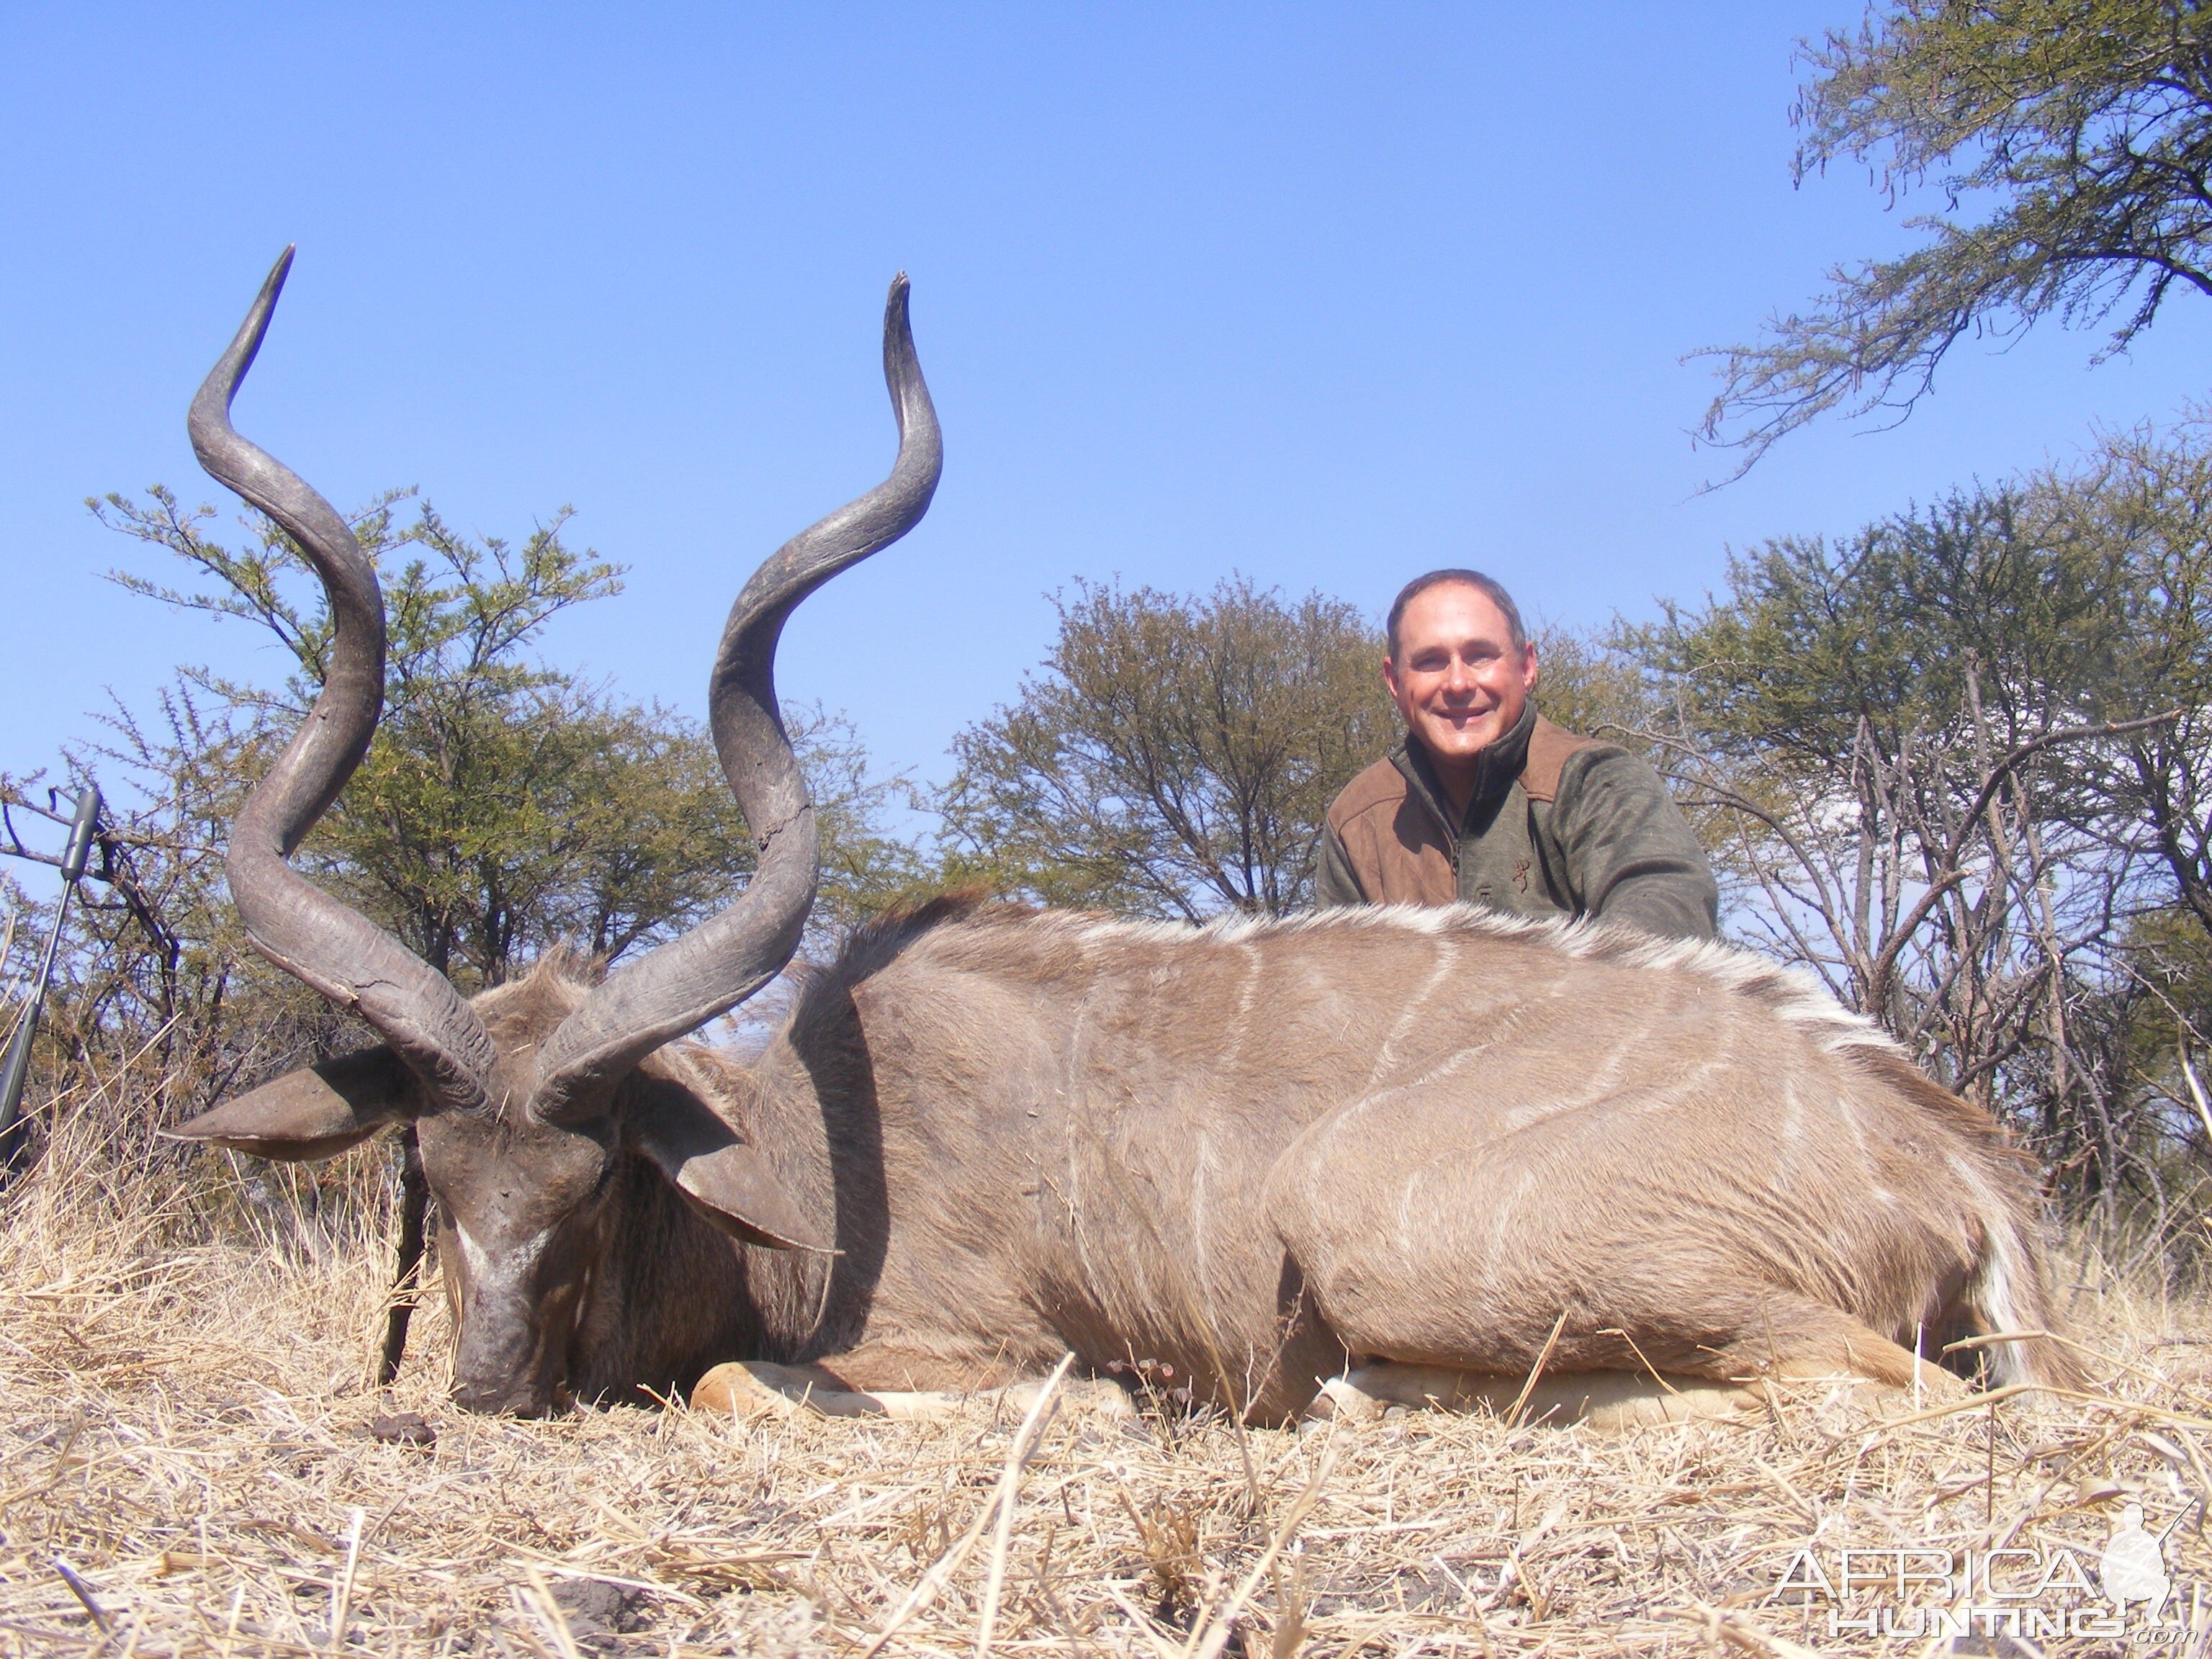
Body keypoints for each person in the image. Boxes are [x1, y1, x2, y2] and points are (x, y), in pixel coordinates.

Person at [1316, 568, 1717, 941]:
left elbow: (1665, 904)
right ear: (1394, 681)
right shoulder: (1357, 819)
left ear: (1527, 667)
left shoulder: (1594, 780)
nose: (1457, 682)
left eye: (1481, 656)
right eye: (1430, 662)